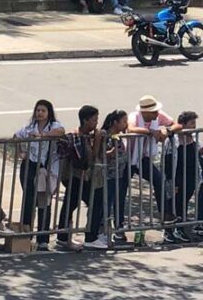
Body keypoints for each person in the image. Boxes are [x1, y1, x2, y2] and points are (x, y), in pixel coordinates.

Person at [126, 94, 179, 240]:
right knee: (121, 189)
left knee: (159, 180)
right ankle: (117, 225)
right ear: (145, 112)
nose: (157, 114)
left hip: (144, 158)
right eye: (154, 112)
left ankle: (165, 214)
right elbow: (131, 129)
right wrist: (151, 132)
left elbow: (175, 124)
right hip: (129, 158)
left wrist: (166, 131)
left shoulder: (158, 116)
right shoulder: (134, 116)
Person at [14, 99, 65, 250]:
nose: (40, 113)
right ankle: (26, 235)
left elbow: (60, 131)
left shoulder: (54, 126)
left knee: (44, 202)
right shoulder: (30, 127)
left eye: (43, 110)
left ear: (49, 113)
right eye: (38, 110)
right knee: (28, 201)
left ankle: (43, 238)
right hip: (29, 166)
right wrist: (21, 152)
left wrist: (43, 136)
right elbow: (16, 136)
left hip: (46, 169)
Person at [56, 105, 106, 250]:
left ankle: (63, 236)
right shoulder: (78, 137)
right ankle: (90, 237)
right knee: (94, 202)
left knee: (70, 204)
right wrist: (96, 141)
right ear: (85, 120)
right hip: (75, 176)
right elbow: (88, 160)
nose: (96, 123)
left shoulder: (85, 136)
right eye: (94, 120)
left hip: (78, 177)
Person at [102, 110, 131, 245]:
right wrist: (111, 153)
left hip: (118, 175)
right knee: (106, 204)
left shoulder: (119, 136)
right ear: (115, 122)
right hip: (108, 176)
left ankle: (115, 230)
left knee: (116, 201)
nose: (126, 124)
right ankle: (103, 233)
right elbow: (102, 154)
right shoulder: (108, 136)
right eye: (124, 121)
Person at [173, 111, 199, 241]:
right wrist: (174, 182)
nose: (194, 127)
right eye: (191, 123)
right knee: (179, 201)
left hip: (191, 176)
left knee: (186, 200)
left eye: (195, 123)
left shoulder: (192, 138)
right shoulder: (178, 140)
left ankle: (182, 220)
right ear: (183, 124)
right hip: (180, 176)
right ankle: (178, 228)